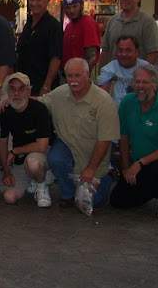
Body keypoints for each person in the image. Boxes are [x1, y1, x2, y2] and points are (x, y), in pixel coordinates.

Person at [110, 65, 158, 218]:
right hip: (141, 162)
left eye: (145, 82)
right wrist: (126, 167)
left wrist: (139, 164)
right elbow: (124, 137)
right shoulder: (127, 102)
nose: (140, 86)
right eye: (137, 82)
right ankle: (157, 189)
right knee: (118, 200)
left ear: (155, 85)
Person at [42, 58, 120, 207]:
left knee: (90, 203)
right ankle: (68, 193)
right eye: (69, 76)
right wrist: (16, 99)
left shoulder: (104, 102)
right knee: (56, 158)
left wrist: (91, 168)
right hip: (69, 149)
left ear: (87, 75)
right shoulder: (59, 93)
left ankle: (111, 174)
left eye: (78, 75)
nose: (73, 80)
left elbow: (105, 140)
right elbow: (39, 103)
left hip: (94, 158)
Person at [0, 73, 52, 207]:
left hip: (42, 154)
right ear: (8, 92)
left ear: (29, 91)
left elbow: (42, 146)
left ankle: (41, 185)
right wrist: (6, 171)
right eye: (12, 89)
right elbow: (3, 142)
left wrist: (15, 151)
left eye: (21, 89)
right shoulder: (5, 111)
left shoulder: (39, 109)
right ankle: (32, 178)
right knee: (9, 197)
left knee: (33, 163)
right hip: (21, 158)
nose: (16, 93)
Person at [99, 0, 158, 67]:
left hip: (136, 74)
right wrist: (103, 72)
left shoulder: (147, 22)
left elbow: (154, 52)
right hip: (113, 74)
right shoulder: (113, 21)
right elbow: (105, 50)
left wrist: (140, 72)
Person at [16, 0, 62, 96]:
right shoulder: (28, 23)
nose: (34, 3)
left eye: (38, 0)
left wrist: (46, 86)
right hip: (25, 85)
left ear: (47, 1)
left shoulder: (53, 26)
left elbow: (56, 58)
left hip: (42, 86)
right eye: (32, 0)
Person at [98, 36, 158, 107]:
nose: (123, 54)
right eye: (120, 50)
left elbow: (156, 93)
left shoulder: (146, 69)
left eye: (128, 50)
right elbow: (102, 96)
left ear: (137, 52)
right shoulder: (109, 69)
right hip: (117, 111)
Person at [61, 0, 100, 72]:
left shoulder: (88, 23)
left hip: (79, 75)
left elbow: (91, 56)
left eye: (75, 6)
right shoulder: (69, 26)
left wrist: (81, 75)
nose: (71, 11)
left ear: (81, 5)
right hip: (68, 73)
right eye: (68, 7)